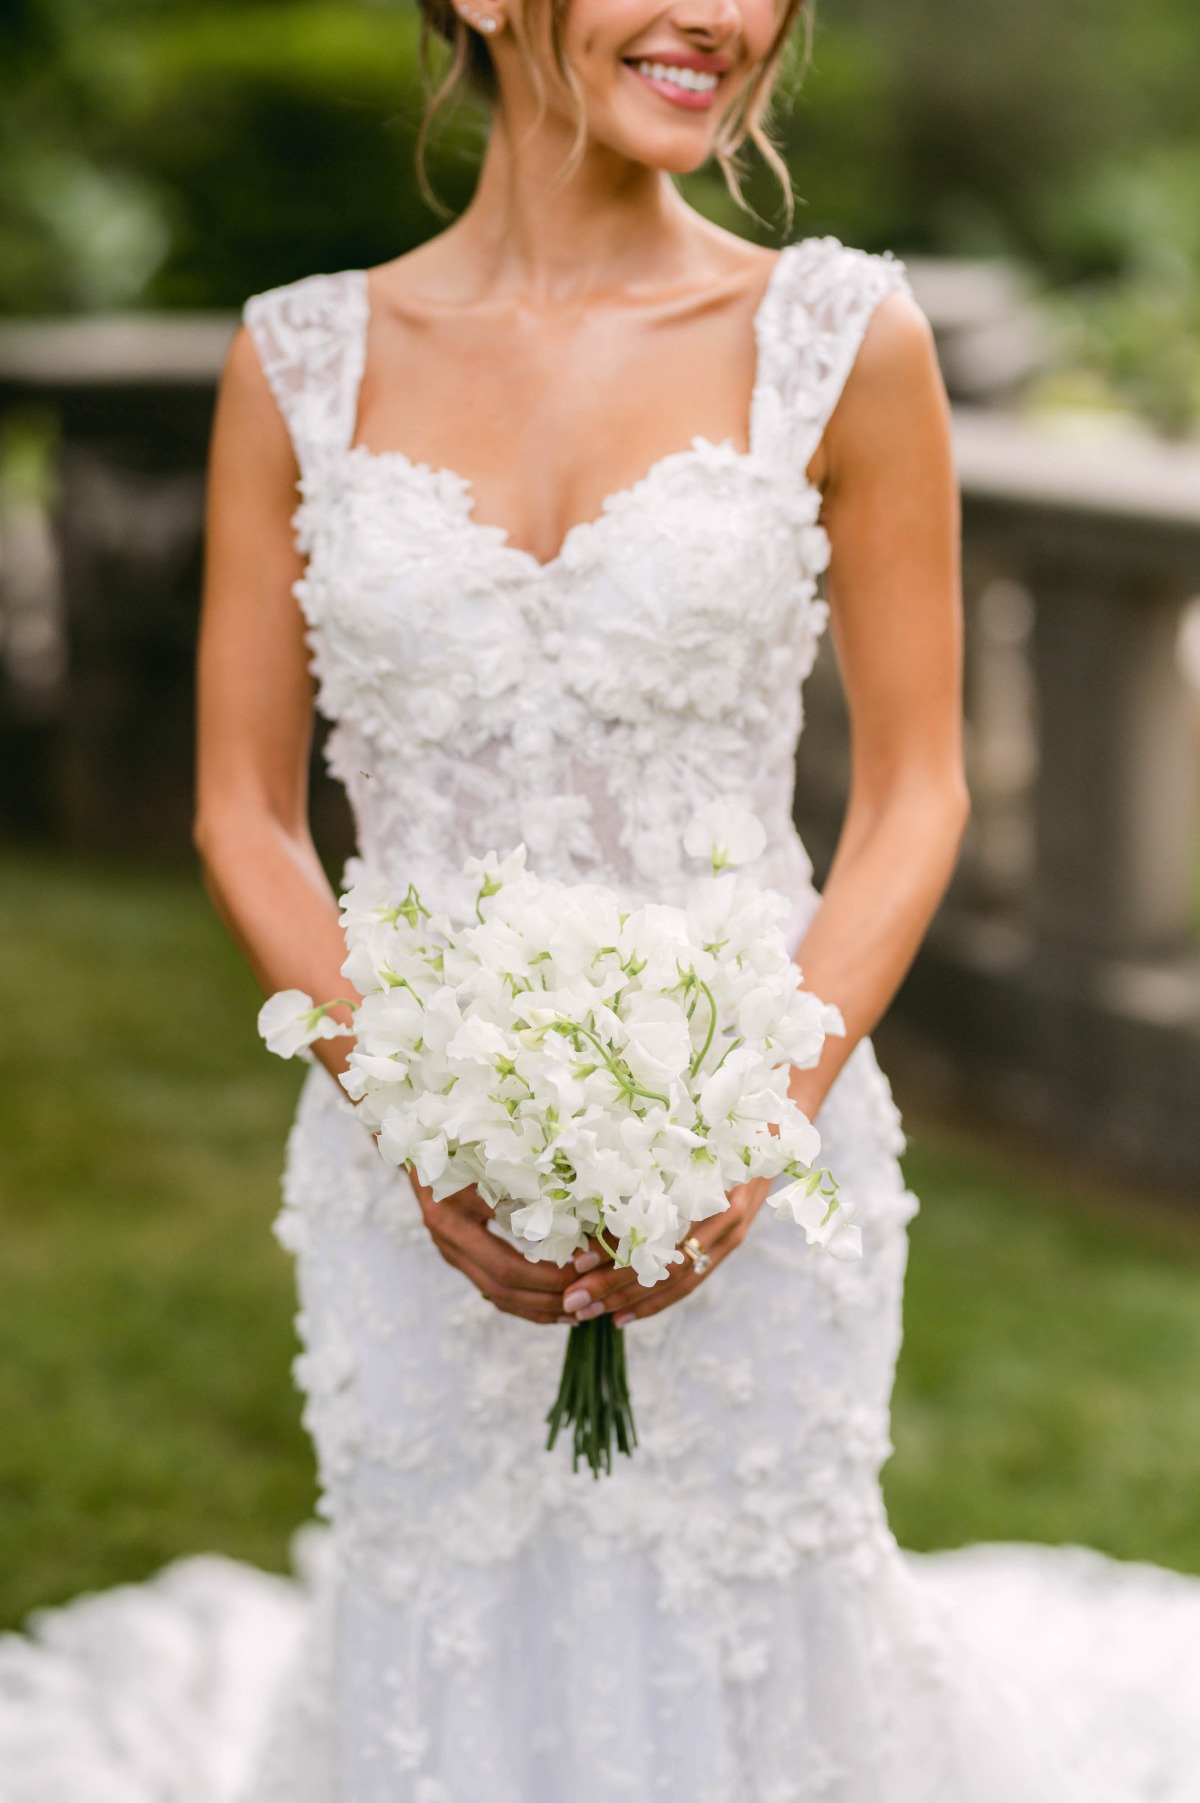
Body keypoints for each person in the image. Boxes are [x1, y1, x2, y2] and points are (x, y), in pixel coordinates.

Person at [4, 4, 1200, 1801]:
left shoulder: (841, 339)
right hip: (402, 1156)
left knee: (748, 1614)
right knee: (451, 1613)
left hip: (761, 1139)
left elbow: (917, 790)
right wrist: (414, 1116)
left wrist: (754, 1119)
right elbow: (245, 812)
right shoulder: (301, 360)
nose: (724, 15)